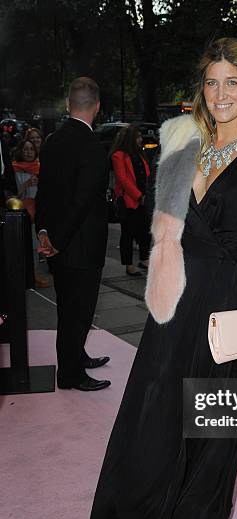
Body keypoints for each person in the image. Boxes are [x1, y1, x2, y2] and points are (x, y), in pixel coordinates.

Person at [86, 37, 237, 519]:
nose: (220, 93)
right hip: (175, 303)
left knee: (212, 419)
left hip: (233, 296)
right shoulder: (180, 139)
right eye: (211, 81)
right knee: (154, 415)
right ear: (200, 87)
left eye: (232, 82)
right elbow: (165, 225)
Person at [35, 77, 111, 392]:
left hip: (57, 241)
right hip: (79, 244)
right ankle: (70, 375)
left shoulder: (52, 141)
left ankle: (76, 356)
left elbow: (44, 193)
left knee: (67, 306)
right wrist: (59, 241)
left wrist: (44, 234)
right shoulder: (94, 147)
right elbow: (81, 203)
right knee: (77, 312)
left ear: (68, 104)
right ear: (97, 107)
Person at [110, 125, 152, 276]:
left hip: (142, 199)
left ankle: (144, 259)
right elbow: (123, 180)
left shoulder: (140, 155)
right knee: (128, 233)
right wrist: (138, 196)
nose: (141, 139)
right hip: (129, 201)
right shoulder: (118, 156)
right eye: (138, 137)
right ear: (130, 139)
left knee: (145, 231)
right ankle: (129, 265)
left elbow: (146, 176)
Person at [12, 139, 51, 288]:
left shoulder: (40, 168)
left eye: (31, 149)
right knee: (23, 246)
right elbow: (12, 195)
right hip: (21, 211)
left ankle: (33, 275)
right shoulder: (14, 169)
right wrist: (26, 185)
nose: (29, 152)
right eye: (26, 149)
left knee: (36, 246)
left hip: (38, 211)